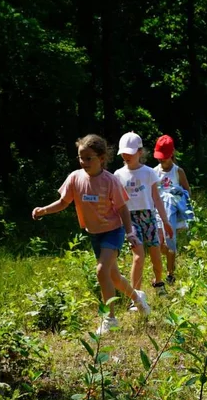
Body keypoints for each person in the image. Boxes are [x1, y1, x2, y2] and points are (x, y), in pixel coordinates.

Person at [33, 134, 148, 335]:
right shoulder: (75, 178)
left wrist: (130, 233)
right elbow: (63, 202)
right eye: (80, 157)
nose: (83, 162)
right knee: (114, 277)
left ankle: (110, 318)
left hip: (113, 231)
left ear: (101, 158)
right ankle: (138, 299)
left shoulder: (110, 181)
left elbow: (122, 209)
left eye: (88, 158)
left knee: (102, 271)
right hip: (95, 234)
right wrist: (44, 210)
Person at [114, 132, 172, 301]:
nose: (126, 156)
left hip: (149, 217)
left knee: (155, 253)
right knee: (138, 256)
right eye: (124, 153)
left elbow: (157, 199)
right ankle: (136, 297)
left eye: (130, 152)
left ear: (140, 152)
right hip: (129, 218)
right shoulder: (118, 175)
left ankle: (159, 282)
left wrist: (165, 221)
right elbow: (116, 202)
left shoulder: (148, 173)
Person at [153, 135, 193, 284]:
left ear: (172, 154)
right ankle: (158, 274)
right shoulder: (154, 172)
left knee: (170, 241)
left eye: (164, 157)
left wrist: (177, 194)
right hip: (157, 212)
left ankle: (170, 274)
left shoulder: (178, 171)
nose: (161, 160)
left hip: (172, 213)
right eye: (159, 157)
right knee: (157, 244)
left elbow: (187, 191)